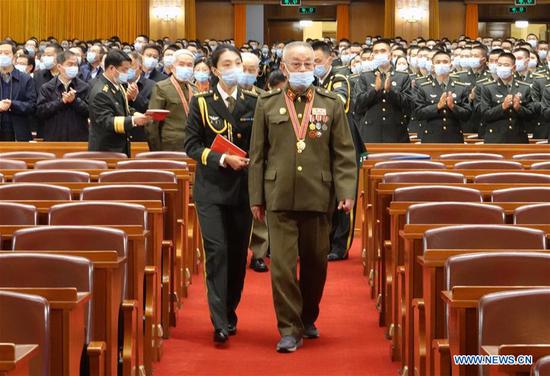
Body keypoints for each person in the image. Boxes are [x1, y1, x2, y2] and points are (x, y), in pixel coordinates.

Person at [248, 41, 357, 353]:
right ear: (284, 68)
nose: (302, 70)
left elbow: (344, 153)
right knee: (282, 268)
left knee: (315, 265)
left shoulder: (331, 103)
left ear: (316, 66)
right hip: (278, 196)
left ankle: (308, 316)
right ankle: (288, 328)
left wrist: (346, 191)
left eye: (308, 64)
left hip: (318, 196)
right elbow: (257, 155)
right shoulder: (267, 103)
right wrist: (256, 197)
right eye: (295, 65)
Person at [184, 44, 257, 345]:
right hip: (212, 189)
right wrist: (221, 159)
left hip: (243, 190)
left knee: (239, 255)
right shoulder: (201, 102)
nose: (233, 69)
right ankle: (219, 321)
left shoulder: (255, 101)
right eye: (226, 64)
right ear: (214, 70)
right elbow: (191, 146)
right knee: (218, 252)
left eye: (237, 63)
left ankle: (230, 310)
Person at [88, 50, 150, 155]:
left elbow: (123, 107)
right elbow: (106, 121)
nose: (126, 73)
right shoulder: (101, 92)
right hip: (106, 150)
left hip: (120, 146)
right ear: (112, 68)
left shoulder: (118, 84)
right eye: (124, 70)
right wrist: (133, 120)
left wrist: (136, 114)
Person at [354, 39, 413, 142]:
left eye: (383, 51)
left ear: (390, 55)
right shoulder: (365, 76)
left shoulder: (402, 77)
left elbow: (409, 104)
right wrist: (375, 91)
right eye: (376, 52)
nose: (379, 54)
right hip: (371, 132)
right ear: (372, 56)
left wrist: (390, 92)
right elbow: (358, 104)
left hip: (396, 132)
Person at [414, 50, 471, 143]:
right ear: (432, 67)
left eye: (445, 62)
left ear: (451, 66)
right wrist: (437, 106)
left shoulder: (461, 88)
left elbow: (467, 115)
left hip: (454, 137)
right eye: (438, 62)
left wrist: (453, 106)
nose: (441, 64)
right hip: (431, 137)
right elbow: (418, 114)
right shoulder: (424, 87)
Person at [147, 49, 198, 151]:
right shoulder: (161, 87)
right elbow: (152, 123)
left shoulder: (195, 89)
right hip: (170, 145)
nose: (186, 68)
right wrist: (156, 150)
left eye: (189, 65)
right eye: (181, 64)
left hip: (193, 144)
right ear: (172, 67)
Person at [480, 52, 536, 143]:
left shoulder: (525, 87)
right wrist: (502, 107)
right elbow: (485, 115)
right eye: (499, 65)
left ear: (513, 68)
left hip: (518, 137)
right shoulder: (487, 87)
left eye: (506, 65)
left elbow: (532, 115)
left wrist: (519, 108)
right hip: (495, 138)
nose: (502, 67)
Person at [36, 50, 89, 141]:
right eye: (70, 64)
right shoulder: (47, 87)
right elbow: (41, 111)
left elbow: (90, 111)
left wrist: (75, 101)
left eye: (75, 64)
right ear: (60, 67)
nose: (74, 67)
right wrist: (61, 102)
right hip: (54, 138)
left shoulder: (84, 87)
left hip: (78, 138)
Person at [0, 40, 36, 141]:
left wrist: (12, 104)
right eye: (0, 53)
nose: (2, 55)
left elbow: (32, 106)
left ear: (14, 58)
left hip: (19, 132)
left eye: (6, 53)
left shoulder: (26, 79)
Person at [124, 51, 155, 142]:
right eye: (124, 66)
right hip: (121, 135)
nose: (127, 69)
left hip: (141, 136)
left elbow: (151, 110)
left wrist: (136, 97)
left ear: (140, 68)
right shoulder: (118, 84)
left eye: (130, 65)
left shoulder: (152, 86)